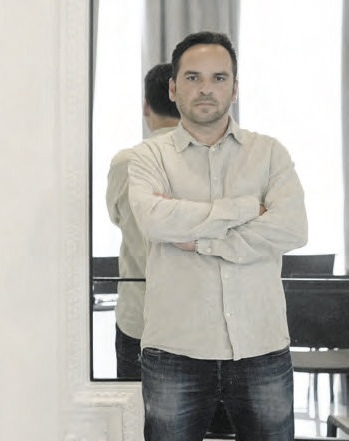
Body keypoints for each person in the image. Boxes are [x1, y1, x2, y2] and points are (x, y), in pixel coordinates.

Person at [128, 31, 307, 440]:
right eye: (192, 78)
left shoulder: (269, 153)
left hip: (261, 348)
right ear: (172, 89)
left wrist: (202, 240)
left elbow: (293, 227)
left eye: (218, 78)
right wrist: (247, 208)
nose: (205, 88)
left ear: (235, 88)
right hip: (175, 352)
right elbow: (155, 222)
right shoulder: (148, 157)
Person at [105, 62, 180, 380]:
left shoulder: (127, 162)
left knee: (134, 408)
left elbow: (116, 216)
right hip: (197, 322)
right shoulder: (209, 159)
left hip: (139, 315)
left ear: (145, 106)